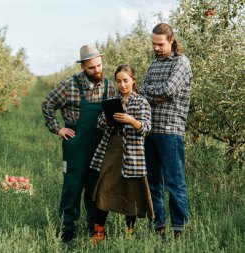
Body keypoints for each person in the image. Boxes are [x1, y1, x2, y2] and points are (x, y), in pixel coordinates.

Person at [41, 44, 116, 242]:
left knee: (95, 186)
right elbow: (48, 104)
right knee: (73, 186)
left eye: (99, 65)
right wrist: (57, 128)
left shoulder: (108, 86)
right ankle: (67, 228)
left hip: (99, 145)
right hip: (75, 145)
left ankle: (95, 226)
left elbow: (113, 116)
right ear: (83, 67)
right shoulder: (69, 85)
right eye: (92, 67)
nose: (97, 70)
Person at [89, 65, 153, 244]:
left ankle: (129, 233)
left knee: (130, 190)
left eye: (126, 80)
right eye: (118, 81)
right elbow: (100, 122)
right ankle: (99, 233)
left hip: (132, 150)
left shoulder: (141, 102)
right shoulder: (112, 100)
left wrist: (131, 121)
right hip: (112, 148)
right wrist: (109, 119)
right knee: (104, 188)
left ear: (133, 80)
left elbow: (146, 128)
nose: (122, 85)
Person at [140, 23, 193, 239]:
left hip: (171, 131)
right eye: (154, 44)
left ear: (171, 40)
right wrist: (155, 93)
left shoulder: (181, 63)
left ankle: (179, 230)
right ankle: (159, 227)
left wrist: (150, 92)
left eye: (160, 44)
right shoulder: (154, 65)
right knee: (153, 182)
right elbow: (142, 90)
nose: (156, 48)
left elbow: (169, 90)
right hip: (150, 131)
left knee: (174, 182)